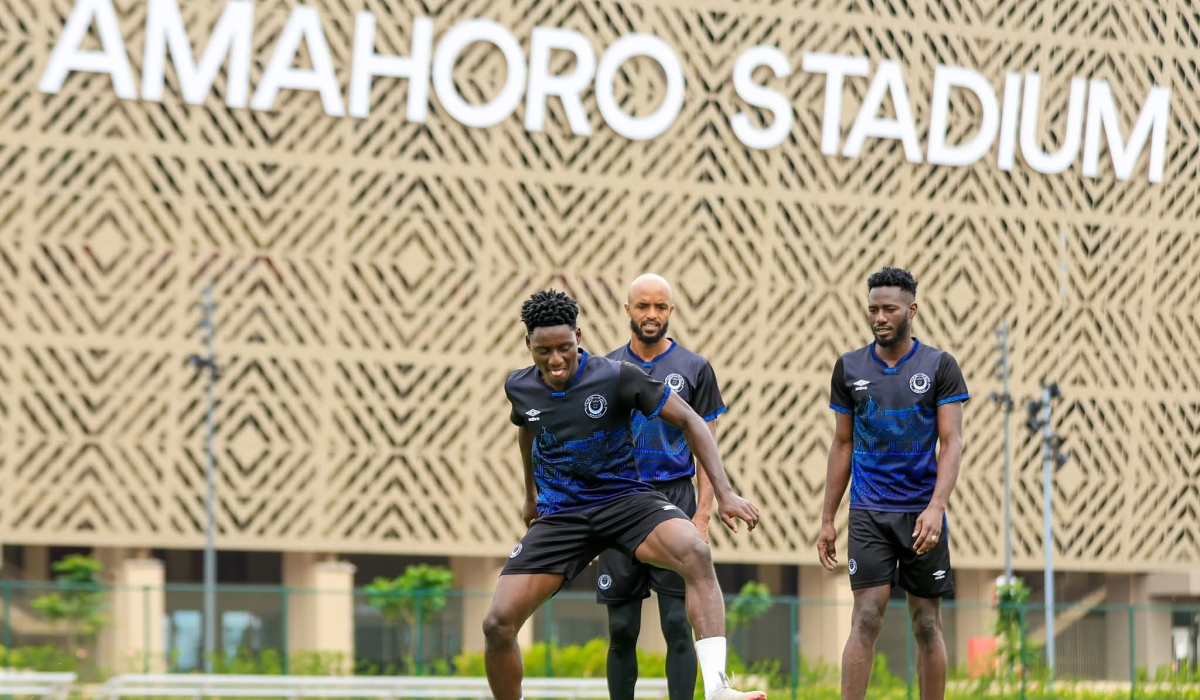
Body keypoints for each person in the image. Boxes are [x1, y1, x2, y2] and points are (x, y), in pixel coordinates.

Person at [484, 289, 767, 700]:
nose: (556, 360)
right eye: (544, 351)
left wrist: (724, 493)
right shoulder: (519, 387)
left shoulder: (617, 375)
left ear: (579, 336)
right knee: (497, 624)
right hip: (562, 514)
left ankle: (719, 688)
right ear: (527, 343)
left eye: (565, 347)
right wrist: (530, 495)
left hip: (624, 502)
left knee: (695, 553)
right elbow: (528, 429)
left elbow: (692, 420)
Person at [816, 267, 969, 700]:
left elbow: (952, 442)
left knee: (925, 623)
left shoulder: (939, 366)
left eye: (889, 309)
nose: (879, 317)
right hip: (869, 512)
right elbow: (842, 443)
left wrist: (937, 507)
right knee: (865, 617)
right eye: (873, 310)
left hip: (923, 515)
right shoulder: (849, 367)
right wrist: (828, 519)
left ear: (911, 310)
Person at [598, 274, 726, 700]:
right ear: (628, 311)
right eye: (643, 306)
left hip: (674, 499)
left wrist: (703, 515)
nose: (651, 315)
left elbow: (705, 445)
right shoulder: (605, 370)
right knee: (621, 628)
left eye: (660, 307)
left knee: (676, 623)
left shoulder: (694, 368)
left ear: (670, 311)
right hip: (619, 501)